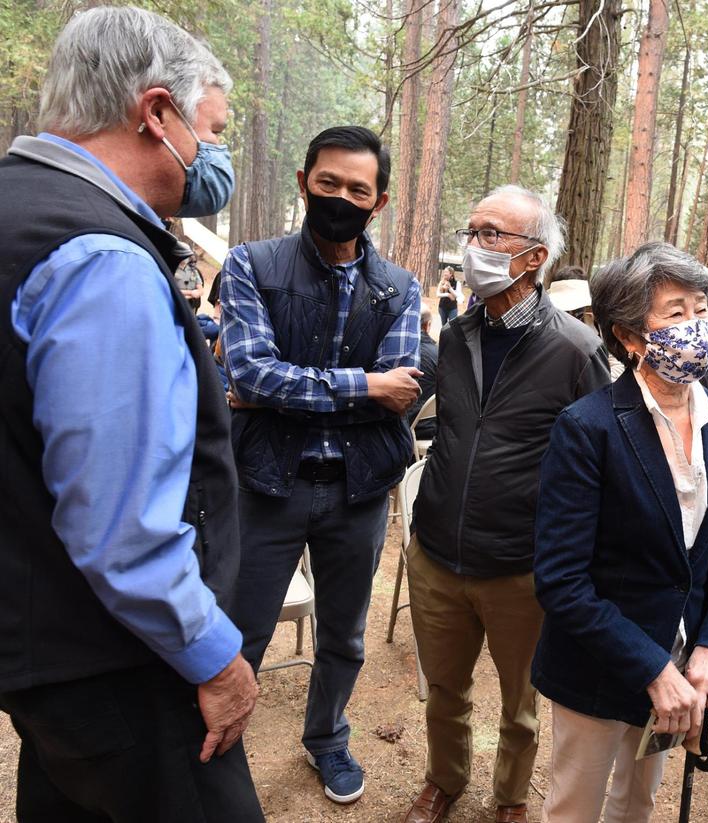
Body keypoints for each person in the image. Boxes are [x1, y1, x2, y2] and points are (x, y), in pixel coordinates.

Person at [0, 7, 263, 821]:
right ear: (155, 113)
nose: (215, 155)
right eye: (211, 129)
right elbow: (120, 527)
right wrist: (216, 657)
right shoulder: (100, 257)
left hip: (42, 637)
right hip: (122, 660)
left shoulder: (17, 209)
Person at [531, 243, 708, 823]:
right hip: (599, 662)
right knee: (575, 804)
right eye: (674, 312)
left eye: (701, 308)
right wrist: (652, 669)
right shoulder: (588, 428)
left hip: (685, 663)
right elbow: (562, 579)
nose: (696, 324)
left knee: (638, 801)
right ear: (631, 336)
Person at [220, 125, 422, 805]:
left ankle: (328, 738)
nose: (341, 196)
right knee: (238, 631)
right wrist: (363, 386)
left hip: (357, 491)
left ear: (379, 200)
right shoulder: (252, 264)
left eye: (357, 189)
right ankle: (221, 743)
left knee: (345, 633)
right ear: (304, 182)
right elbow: (250, 371)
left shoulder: (399, 287)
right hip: (265, 485)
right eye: (328, 182)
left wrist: (279, 391)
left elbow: (404, 394)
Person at [403, 185, 610, 823]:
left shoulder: (577, 350)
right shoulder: (459, 335)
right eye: (471, 232)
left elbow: (601, 463)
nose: (474, 247)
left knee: (521, 701)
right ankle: (445, 780)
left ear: (532, 256)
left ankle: (511, 798)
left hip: (521, 566)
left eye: (492, 234)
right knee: (443, 689)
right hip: (437, 553)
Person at [408, 306, 439, 441]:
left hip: (402, 426)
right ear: (427, 325)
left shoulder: (399, 353)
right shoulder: (439, 354)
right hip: (431, 426)